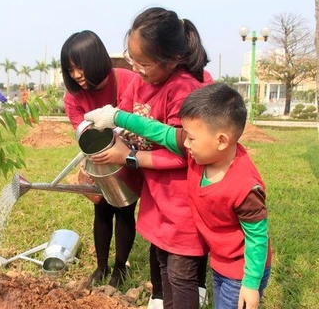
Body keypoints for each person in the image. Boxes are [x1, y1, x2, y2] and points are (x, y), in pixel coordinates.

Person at [84, 83, 273, 309]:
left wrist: (251, 285)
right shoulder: (200, 150)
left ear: (221, 141)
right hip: (221, 261)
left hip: (244, 268)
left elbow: (257, 238)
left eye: (191, 138)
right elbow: (158, 131)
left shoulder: (245, 188)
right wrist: (115, 116)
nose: (184, 143)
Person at [86, 7, 212, 309]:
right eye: (133, 61)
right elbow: (124, 117)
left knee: (181, 275)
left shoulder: (183, 91)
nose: (137, 69)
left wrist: (130, 157)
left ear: (172, 59)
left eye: (144, 64)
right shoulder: (140, 82)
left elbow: (185, 154)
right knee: (161, 262)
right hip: (156, 195)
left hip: (182, 203)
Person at [61, 30, 143, 288]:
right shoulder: (73, 97)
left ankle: (120, 268)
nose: (76, 76)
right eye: (70, 70)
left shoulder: (129, 80)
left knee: (125, 208)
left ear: (97, 59)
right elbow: (84, 137)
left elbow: (141, 123)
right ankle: (101, 267)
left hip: (128, 156)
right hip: (98, 158)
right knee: (101, 208)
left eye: (80, 68)